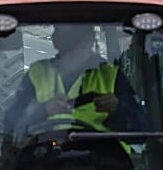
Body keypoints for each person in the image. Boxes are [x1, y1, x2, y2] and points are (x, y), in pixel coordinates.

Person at [9, 24, 145, 136]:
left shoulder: (111, 76)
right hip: (45, 153)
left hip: (101, 156)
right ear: (56, 41)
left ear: (90, 40)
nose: (74, 48)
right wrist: (44, 110)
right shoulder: (37, 74)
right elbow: (12, 125)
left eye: (78, 40)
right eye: (69, 41)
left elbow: (141, 132)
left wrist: (117, 110)